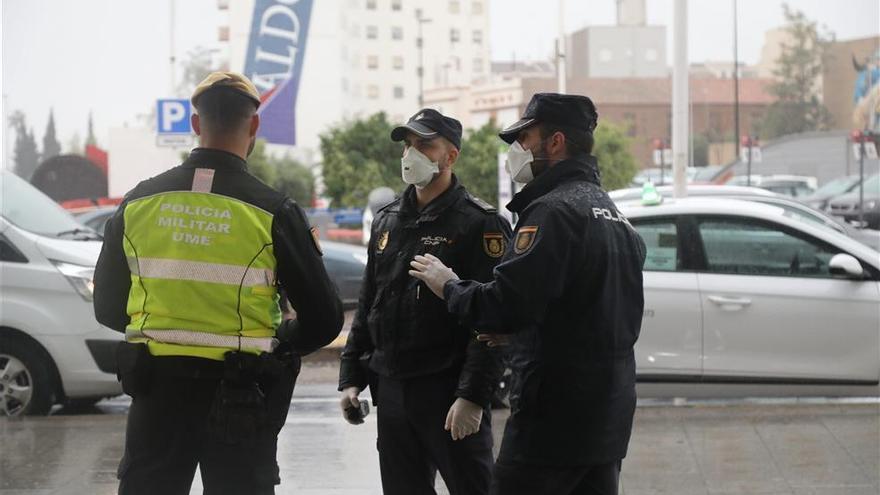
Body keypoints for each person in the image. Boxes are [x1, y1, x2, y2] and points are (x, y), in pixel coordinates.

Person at [93, 71, 344, 495]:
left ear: (195, 124)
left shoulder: (138, 203)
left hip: (156, 392)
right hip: (241, 395)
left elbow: (107, 306)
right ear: (254, 126)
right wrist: (280, 340)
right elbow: (324, 319)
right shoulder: (272, 211)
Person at [410, 93, 647, 495]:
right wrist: (524, 333)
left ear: (555, 143)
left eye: (524, 139)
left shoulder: (553, 213)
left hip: (553, 418)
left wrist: (448, 284)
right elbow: (587, 315)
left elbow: (503, 305)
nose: (517, 151)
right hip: (607, 414)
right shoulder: (613, 215)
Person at [338, 109, 512, 495]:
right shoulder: (387, 221)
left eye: (424, 145)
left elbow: (494, 318)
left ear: (450, 156)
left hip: (448, 390)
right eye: (407, 145)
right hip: (394, 389)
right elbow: (371, 302)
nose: (410, 155)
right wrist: (352, 378)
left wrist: (473, 395)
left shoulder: (479, 223)